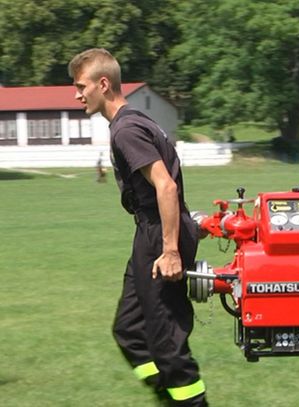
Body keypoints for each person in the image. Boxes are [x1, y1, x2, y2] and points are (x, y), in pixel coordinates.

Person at [68, 49, 208, 407]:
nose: (77, 94)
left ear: (104, 84)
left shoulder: (127, 129)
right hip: (151, 231)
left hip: (160, 236)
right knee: (129, 330)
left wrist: (172, 248)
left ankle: (188, 400)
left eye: (81, 86)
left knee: (166, 343)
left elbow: (166, 186)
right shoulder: (133, 121)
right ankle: (168, 396)